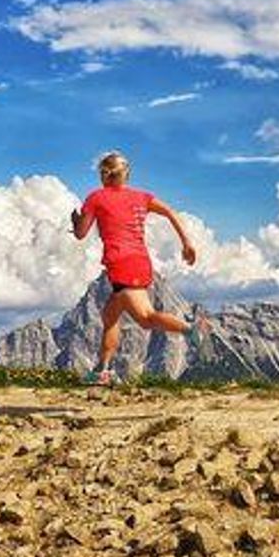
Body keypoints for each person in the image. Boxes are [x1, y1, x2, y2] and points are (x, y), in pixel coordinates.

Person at [70, 151, 206, 387]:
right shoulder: (142, 196)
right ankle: (103, 370)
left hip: (120, 264)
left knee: (145, 318)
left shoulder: (95, 198)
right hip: (141, 262)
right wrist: (187, 243)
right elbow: (170, 213)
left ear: (103, 175)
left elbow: (81, 234)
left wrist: (76, 222)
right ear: (127, 174)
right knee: (110, 315)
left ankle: (191, 329)